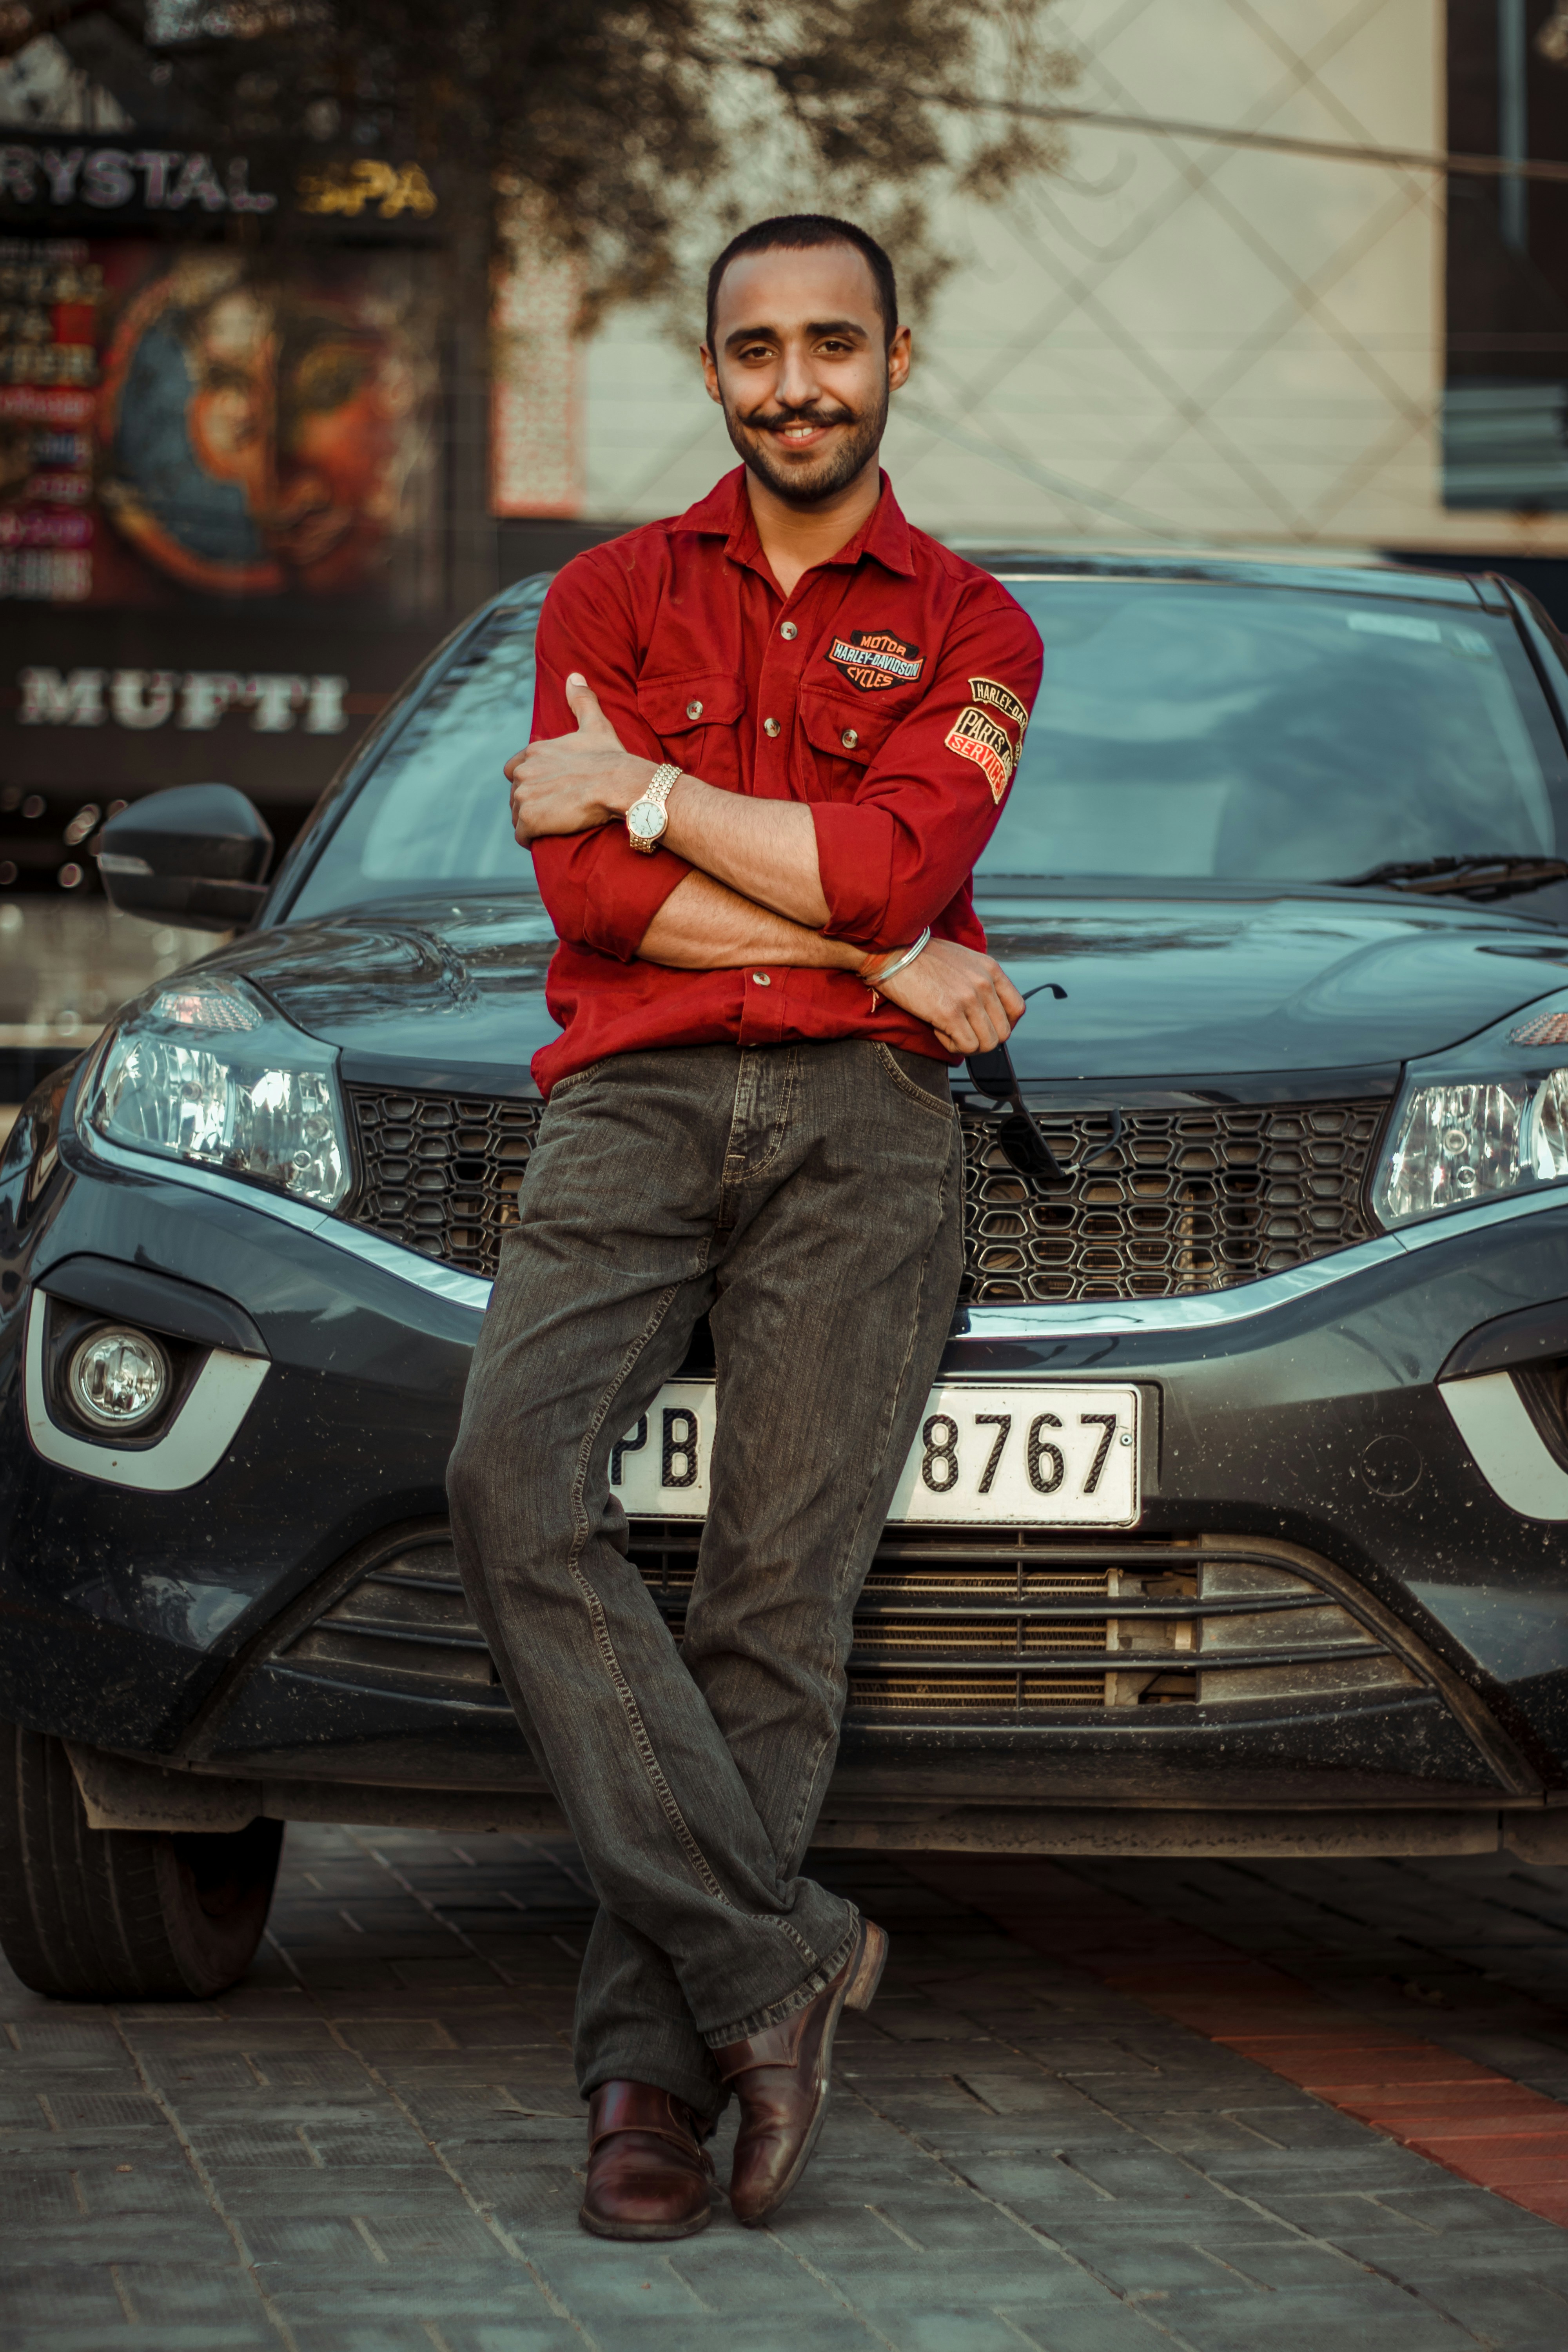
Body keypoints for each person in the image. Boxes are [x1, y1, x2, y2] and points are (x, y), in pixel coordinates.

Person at [447, 213, 1043, 2241]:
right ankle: (773, 1959)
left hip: (867, 1138)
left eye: (834, 344)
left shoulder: (976, 629)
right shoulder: (607, 592)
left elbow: (894, 862)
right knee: (512, 1490)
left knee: (771, 1610)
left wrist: (646, 798)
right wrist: (885, 953)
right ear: (712, 371)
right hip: (629, 1099)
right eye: (757, 348)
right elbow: (593, 910)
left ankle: (646, 2085)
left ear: (898, 355)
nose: (797, 380)